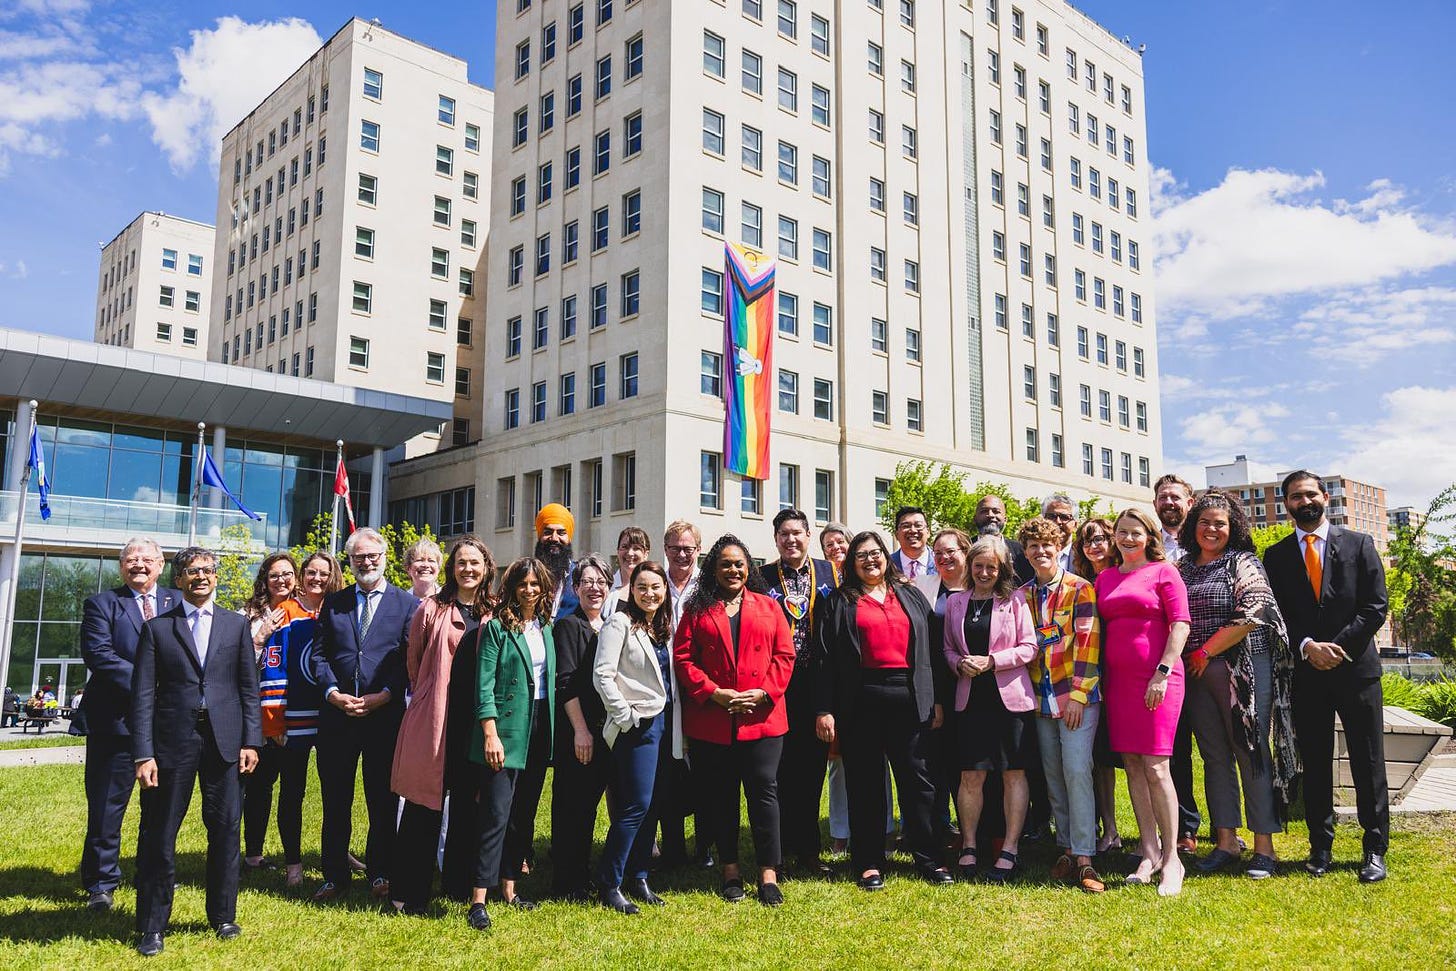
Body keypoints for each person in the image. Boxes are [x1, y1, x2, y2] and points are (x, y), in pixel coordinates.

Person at [129, 546, 261, 957]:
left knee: (225, 830)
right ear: (179, 579)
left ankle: (223, 915)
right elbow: (143, 697)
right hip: (172, 743)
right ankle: (152, 925)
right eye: (191, 571)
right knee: (160, 833)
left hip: (225, 742)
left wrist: (251, 740)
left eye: (207, 570)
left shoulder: (236, 626)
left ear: (216, 577)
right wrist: (143, 753)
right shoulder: (157, 629)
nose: (200, 577)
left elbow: (248, 689)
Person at [1263, 471, 1389, 883]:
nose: (1304, 501)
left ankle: (1374, 849)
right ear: (1287, 504)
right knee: (1314, 763)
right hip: (1308, 673)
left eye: (1310, 494)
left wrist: (1337, 647)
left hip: (1357, 672)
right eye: (1296, 496)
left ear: (1325, 497)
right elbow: (1277, 614)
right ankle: (1320, 848)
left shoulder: (1359, 544)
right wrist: (1308, 648)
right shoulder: (1277, 557)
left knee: (1367, 762)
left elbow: (1375, 607)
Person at [814, 530, 953, 891]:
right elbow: (825, 660)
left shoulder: (910, 595)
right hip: (860, 701)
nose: (870, 559)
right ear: (851, 563)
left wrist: (936, 698)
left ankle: (928, 857)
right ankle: (869, 861)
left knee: (918, 782)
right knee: (866, 784)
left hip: (910, 697)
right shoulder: (839, 602)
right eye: (861, 555)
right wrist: (825, 709)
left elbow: (933, 651)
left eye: (876, 553)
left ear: (885, 557)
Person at [1177, 492, 1297, 881]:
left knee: (1250, 751)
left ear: (1233, 529)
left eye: (1220, 523)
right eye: (1205, 522)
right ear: (1194, 525)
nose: (1212, 529)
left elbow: (1255, 611)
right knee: (1213, 756)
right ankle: (1226, 841)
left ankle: (1265, 847)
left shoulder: (1242, 562)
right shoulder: (1183, 568)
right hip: (1196, 675)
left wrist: (1206, 651)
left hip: (1241, 668)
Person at [674, 535, 795, 906]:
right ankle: (729, 870)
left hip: (762, 717)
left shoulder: (768, 606)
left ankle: (768, 873)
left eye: (739, 564)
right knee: (721, 796)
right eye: (725, 564)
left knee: (764, 794)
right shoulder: (697, 609)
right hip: (714, 717)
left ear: (749, 569)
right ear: (714, 568)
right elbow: (683, 659)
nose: (733, 570)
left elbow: (784, 655)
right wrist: (714, 693)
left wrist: (763, 693)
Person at [390, 537, 497, 914]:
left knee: (469, 807)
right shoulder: (431, 609)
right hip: (436, 720)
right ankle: (407, 893)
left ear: (486, 569)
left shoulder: (496, 611)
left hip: (478, 723)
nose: (468, 569)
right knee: (423, 807)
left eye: (475, 562)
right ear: (452, 568)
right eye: (461, 562)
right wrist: (428, 698)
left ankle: (455, 885)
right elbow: (414, 661)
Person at [310, 528, 418, 903]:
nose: (366, 563)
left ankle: (381, 872)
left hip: (384, 718)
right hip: (338, 717)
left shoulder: (407, 604)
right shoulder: (334, 602)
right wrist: (333, 693)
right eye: (359, 558)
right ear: (350, 562)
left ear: (385, 557)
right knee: (335, 800)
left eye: (372, 556)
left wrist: (384, 695)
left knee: (382, 800)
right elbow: (319, 655)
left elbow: (409, 658)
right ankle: (334, 875)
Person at [78, 537, 179, 913]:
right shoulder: (102, 604)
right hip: (114, 723)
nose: (139, 565)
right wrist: (150, 682)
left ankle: (149, 872)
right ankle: (101, 882)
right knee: (107, 806)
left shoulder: (178, 601)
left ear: (160, 563)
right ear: (122, 567)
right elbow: (99, 655)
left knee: (160, 808)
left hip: (166, 727)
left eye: (146, 559)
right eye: (131, 559)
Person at [1097, 508, 1191, 896]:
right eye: (1122, 532)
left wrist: (1163, 671)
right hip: (1118, 684)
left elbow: (1180, 623)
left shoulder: (1164, 571)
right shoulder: (1104, 577)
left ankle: (1173, 859)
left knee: (1156, 767)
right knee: (1133, 766)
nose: (1128, 538)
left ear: (1149, 536)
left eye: (1135, 532)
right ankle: (1148, 851)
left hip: (1157, 680)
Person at [468, 557, 557, 930]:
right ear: (512, 587)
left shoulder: (546, 626)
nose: (530, 590)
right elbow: (483, 685)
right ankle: (478, 898)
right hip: (504, 730)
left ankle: (509, 887)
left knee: (523, 815)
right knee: (496, 815)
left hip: (538, 728)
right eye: (523, 584)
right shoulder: (496, 629)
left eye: (536, 584)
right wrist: (490, 734)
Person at [942, 536, 1038, 884]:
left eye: (991, 567)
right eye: (979, 566)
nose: (984, 572)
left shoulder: (1014, 601)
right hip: (971, 700)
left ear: (1001, 570)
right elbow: (948, 649)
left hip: (1010, 700)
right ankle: (969, 845)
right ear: (970, 567)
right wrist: (959, 664)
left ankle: (1010, 847)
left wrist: (993, 661)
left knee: (1013, 774)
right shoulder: (956, 603)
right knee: (971, 775)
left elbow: (1030, 647)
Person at [1019, 518, 1104, 893]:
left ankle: (1085, 856)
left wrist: (1080, 696)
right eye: (1033, 547)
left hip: (1075, 697)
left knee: (1076, 771)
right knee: (1053, 776)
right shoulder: (1021, 595)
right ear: (1025, 553)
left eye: (1047, 546)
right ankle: (1066, 847)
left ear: (1059, 548)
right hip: (1040, 698)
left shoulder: (1079, 589)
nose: (1041, 552)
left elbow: (1088, 645)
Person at [593, 561, 681, 913]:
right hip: (638, 726)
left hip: (667, 724)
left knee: (654, 805)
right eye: (642, 587)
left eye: (656, 587)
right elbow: (602, 675)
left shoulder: (664, 627)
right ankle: (609, 881)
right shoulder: (619, 622)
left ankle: (640, 876)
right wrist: (626, 715)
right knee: (635, 806)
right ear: (632, 590)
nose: (650, 593)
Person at [247, 550, 338, 888]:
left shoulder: (340, 609)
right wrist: (273, 723)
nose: (317, 578)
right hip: (294, 719)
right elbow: (274, 668)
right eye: (311, 572)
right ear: (303, 576)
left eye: (323, 573)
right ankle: (293, 863)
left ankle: (336, 852)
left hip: (332, 715)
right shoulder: (284, 613)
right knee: (292, 792)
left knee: (336, 793)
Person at [761, 508, 838, 876]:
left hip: (818, 684)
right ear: (776, 539)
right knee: (777, 770)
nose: (791, 539)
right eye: (784, 534)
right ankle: (779, 848)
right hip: (776, 685)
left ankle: (809, 849)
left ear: (809, 535)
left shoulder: (830, 572)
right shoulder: (761, 578)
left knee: (811, 770)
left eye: (797, 533)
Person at [239, 553, 313, 879]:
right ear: (264, 580)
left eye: (287, 574)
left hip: (292, 716)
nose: (281, 580)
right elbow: (237, 664)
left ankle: (292, 860)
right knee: (257, 788)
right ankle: (253, 854)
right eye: (274, 575)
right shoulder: (249, 616)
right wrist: (260, 636)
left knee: (292, 790)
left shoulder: (305, 613)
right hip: (255, 715)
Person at [549, 555, 615, 901]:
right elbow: (565, 683)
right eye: (587, 581)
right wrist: (580, 731)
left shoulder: (610, 626)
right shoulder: (568, 626)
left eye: (601, 581)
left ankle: (582, 874)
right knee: (571, 807)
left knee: (588, 808)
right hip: (580, 732)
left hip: (606, 732)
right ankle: (566, 881)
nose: (595, 587)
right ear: (576, 588)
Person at [1152, 473, 1202, 854]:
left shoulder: (1204, 543)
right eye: (1162, 497)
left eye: (1175, 497)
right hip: (1165, 661)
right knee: (1175, 748)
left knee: (1218, 749)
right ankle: (1184, 826)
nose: (1169, 503)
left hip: (1207, 655)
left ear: (1190, 501)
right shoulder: (1152, 548)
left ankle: (1228, 829)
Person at [916, 528, 972, 852]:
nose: (944, 557)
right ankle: (941, 832)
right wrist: (933, 698)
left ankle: (973, 834)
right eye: (938, 552)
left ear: (965, 552)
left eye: (951, 551)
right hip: (936, 688)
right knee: (936, 766)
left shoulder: (981, 585)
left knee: (969, 766)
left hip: (975, 690)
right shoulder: (925, 587)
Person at [654, 520, 703, 868]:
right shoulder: (655, 583)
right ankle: (672, 846)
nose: (682, 554)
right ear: (665, 549)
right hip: (662, 685)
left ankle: (706, 846)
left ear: (698, 549)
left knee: (705, 765)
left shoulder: (708, 585)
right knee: (668, 766)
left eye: (688, 548)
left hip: (701, 685)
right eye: (675, 548)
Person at [1074, 517, 1123, 853]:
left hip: (1120, 674)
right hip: (1087, 679)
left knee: (1132, 759)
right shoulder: (1078, 583)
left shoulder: (1121, 576)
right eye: (1088, 540)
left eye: (1102, 538)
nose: (1095, 546)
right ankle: (1110, 829)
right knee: (1098, 759)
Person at [973, 494, 1034, 583]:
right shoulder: (964, 548)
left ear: (1005, 519)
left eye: (996, 511)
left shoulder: (1021, 551)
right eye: (984, 511)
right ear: (975, 518)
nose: (990, 515)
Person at [534, 504, 578, 620]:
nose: (554, 538)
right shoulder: (528, 575)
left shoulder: (580, 575)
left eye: (561, 533)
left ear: (569, 537)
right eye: (548, 532)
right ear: (539, 536)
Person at [889, 506, 935, 578]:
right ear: (896, 534)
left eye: (918, 525)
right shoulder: (887, 565)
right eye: (906, 526)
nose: (913, 530)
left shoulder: (941, 562)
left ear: (928, 532)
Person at [1041, 494, 1079, 574]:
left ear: (1075, 525)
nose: (1058, 521)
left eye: (1064, 517)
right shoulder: (1032, 554)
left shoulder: (1083, 556)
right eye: (1051, 516)